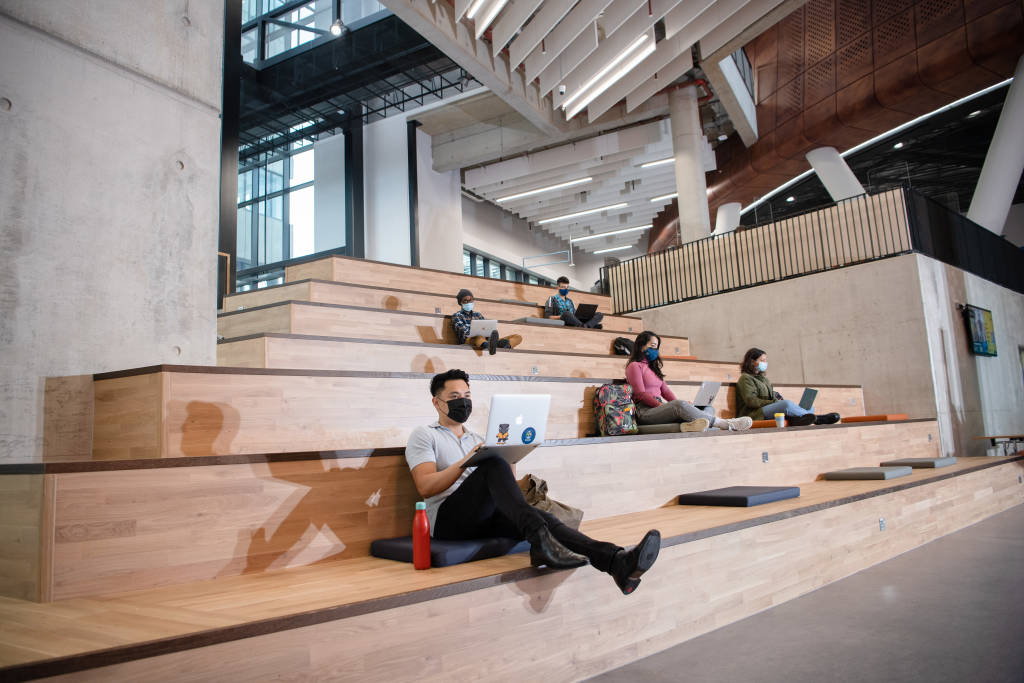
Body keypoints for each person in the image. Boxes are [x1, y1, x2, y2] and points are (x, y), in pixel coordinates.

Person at [405, 369, 661, 595]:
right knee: (493, 466)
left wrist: (511, 455)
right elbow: (425, 486)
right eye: (454, 397)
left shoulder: (477, 437)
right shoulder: (425, 435)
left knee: (543, 519)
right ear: (437, 403)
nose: (463, 401)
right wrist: (471, 460)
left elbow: (507, 490)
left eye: (467, 396)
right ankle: (539, 539)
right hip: (447, 522)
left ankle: (617, 561)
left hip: (483, 516)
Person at [626, 331, 753, 432]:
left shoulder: (654, 368)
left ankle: (699, 423)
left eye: (657, 347)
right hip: (645, 411)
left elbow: (665, 391)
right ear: (641, 346)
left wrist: (681, 404)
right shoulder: (634, 366)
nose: (656, 350)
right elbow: (640, 394)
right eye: (653, 346)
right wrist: (666, 406)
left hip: (659, 407)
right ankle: (725, 424)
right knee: (679, 405)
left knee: (707, 408)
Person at [735, 348, 840, 426]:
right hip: (754, 414)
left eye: (765, 360)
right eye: (762, 360)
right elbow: (751, 401)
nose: (765, 363)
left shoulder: (764, 379)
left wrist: (776, 401)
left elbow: (772, 398)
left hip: (767, 409)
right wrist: (775, 403)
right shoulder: (745, 378)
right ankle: (818, 419)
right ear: (752, 361)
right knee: (787, 404)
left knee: (809, 407)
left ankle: (800, 419)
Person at [451, 289, 521, 355]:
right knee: (478, 336)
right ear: (460, 302)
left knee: (517, 337)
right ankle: (489, 346)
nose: (468, 302)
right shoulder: (457, 316)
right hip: (469, 340)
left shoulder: (478, 315)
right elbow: (465, 333)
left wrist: (490, 333)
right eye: (465, 301)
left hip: (485, 339)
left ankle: (504, 346)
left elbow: (486, 328)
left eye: (470, 300)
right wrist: (479, 332)